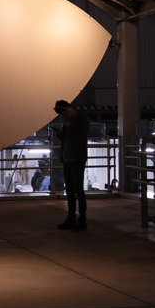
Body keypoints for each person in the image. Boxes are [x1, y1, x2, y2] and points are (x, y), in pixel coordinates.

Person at [53, 99, 90, 231]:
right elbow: (67, 139)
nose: (63, 117)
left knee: (78, 190)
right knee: (69, 191)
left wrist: (70, 127)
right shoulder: (68, 121)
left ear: (68, 110)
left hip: (77, 159)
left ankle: (82, 220)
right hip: (67, 159)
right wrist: (60, 134)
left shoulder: (81, 119)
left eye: (64, 114)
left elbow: (80, 138)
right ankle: (71, 218)